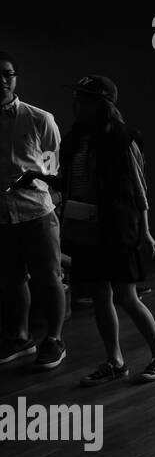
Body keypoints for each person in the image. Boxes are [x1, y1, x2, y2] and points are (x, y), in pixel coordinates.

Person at [31, 77, 155, 386]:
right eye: (77, 98)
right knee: (99, 294)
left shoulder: (123, 138)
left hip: (118, 227)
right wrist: (35, 177)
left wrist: (145, 232)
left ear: (101, 104)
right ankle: (114, 360)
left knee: (126, 295)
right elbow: (69, 183)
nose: (76, 104)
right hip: (85, 228)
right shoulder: (74, 140)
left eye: (84, 99)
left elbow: (139, 189)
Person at [0, 53, 69, 370]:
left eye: (8, 74)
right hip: (2, 217)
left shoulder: (40, 119)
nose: (2, 81)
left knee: (50, 277)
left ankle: (54, 340)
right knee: (12, 278)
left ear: (15, 78)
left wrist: (40, 188)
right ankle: (21, 337)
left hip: (37, 213)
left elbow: (58, 173)